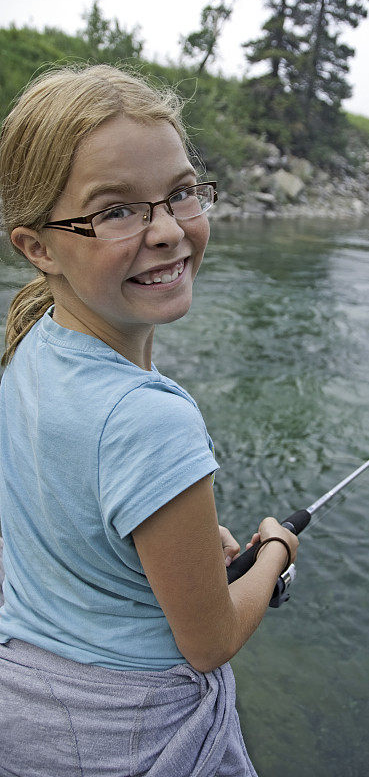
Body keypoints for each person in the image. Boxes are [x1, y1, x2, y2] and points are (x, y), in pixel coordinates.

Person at [0, 63, 298, 776]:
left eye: (181, 193)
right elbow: (209, 642)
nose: (167, 230)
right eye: (116, 210)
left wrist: (177, 544)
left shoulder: (28, 340)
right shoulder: (151, 419)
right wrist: (278, 553)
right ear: (37, 247)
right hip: (128, 737)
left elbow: (65, 513)